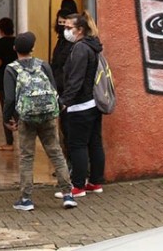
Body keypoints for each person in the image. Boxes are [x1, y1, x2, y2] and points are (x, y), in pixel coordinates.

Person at [3, 32, 77, 211]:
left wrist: (8, 118)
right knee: (56, 153)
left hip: (26, 118)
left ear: (15, 49)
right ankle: (67, 194)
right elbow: (53, 89)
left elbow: (10, 99)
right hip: (48, 116)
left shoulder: (11, 69)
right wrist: (58, 108)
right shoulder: (43, 65)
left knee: (27, 157)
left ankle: (26, 199)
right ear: (32, 48)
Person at [60, 11, 106, 197]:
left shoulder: (80, 49)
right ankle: (95, 182)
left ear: (80, 30)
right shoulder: (92, 46)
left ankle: (78, 186)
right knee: (94, 142)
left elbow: (76, 80)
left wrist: (64, 101)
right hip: (93, 103)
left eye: (69, 28)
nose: (66, 31)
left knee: (77, 144)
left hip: (80, 105)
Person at [50, 8, 75, 165]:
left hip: (68, 94)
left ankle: (72, 166)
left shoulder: (75, 46)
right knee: (64, 131)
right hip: (60, 92)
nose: (61, 27)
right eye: (59, 23)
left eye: (64, 24)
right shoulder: (61, 41)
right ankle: (66, 165)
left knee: (70, 132)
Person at [0, 17, 17, 150]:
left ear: (0, 30)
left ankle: (9, 142)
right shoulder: (17, 42)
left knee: (6, 111)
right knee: (19, 110)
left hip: (4, 81)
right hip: (19, 81)